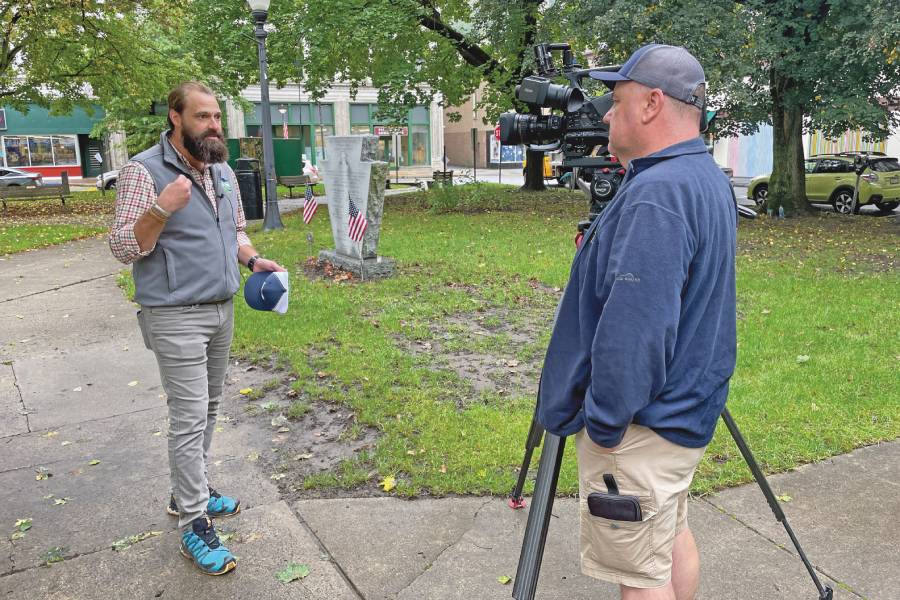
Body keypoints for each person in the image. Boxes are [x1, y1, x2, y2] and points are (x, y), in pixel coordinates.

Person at [537, 44, 737, 600]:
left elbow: (637, 331)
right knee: (669, 539)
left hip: (642, 427)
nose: (604, 114)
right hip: (682, 412)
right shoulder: (701, 174)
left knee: (639, 578)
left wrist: (604, 425)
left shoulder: (657, 194)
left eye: (616, 99)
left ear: (651, 103)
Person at [109, 81, 286, 576]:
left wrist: (252, 260)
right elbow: (124, 247)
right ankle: (193, 523)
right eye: (202, 117)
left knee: (208, 408)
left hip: (221, 307)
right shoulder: (143, 172)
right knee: (188, 418)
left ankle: (188, 490)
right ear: (175, 117)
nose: (213, 125)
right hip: (173, 313)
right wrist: (162, 208)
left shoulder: (222, 170)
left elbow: (235, 231)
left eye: (216, 118)